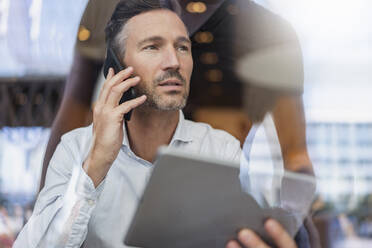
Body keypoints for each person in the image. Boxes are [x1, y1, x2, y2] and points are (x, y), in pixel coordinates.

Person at [14, 1, 302, 247]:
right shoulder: (76, 149)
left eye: (182, 47)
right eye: (153, 47)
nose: (173, 61)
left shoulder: (221, 150)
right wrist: (94, 168)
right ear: (116, 69)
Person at [40, 0, 313, 191]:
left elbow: (295, 156)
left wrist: (294, 218)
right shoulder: (110, 6)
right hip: (109, 203)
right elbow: (71, 115)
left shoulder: (270, 33)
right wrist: (45, 207)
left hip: (209, 210)